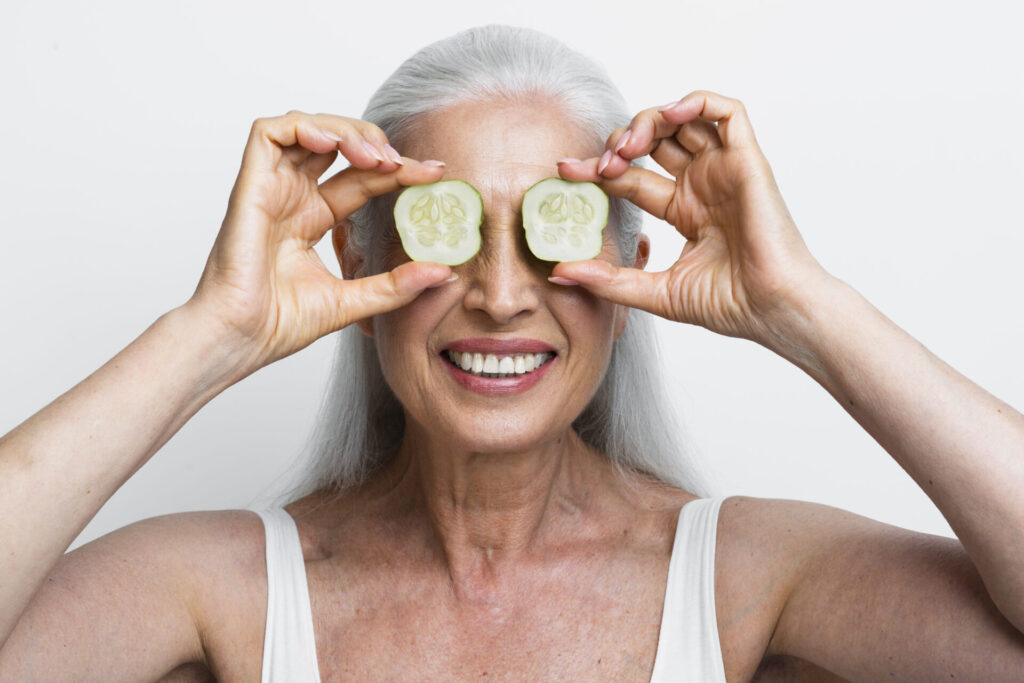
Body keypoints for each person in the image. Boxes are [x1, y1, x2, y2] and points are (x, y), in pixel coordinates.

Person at [1, 23, 1023, 682]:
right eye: (449, 230)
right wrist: (211, 332)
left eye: (554, 231)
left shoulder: (745, 573)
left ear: (632, 278)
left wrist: (801, 304)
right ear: (357, 266)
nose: (497, 295)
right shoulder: (225, 584)